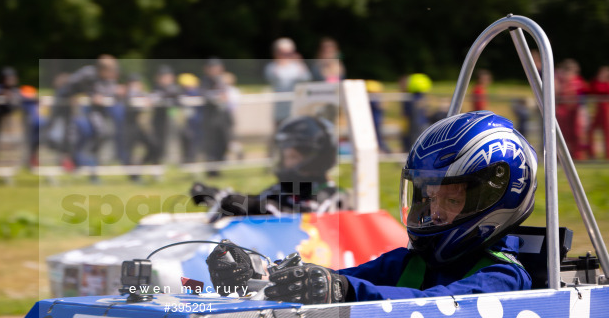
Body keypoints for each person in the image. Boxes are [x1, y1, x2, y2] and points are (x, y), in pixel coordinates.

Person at [208, 111, 536, 303]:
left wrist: (346, 291)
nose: (434, 212)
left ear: (494, 200)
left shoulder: (502, 277)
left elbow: (435, 307)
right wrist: (264, 275)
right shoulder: (411, 262)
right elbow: (338, 278)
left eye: (451, 200)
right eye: (430, 197)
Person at [190, 115, 345, 220]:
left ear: (317, 159)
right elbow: (255, 201)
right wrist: (217, 196)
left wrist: (257, 207)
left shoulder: (332, 197)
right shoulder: (283, 189)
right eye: (285, 157)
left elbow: (304, 220)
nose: (286, 163)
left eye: (293, 157)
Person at [264, 38, 312, 130]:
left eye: (289, 53)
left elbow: (306, 78)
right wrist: (279, 63)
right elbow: (273, 77)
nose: (286, 56)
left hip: (297, 109)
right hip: (280, 111)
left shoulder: (298, 66)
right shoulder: (271, 67)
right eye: (283, 53)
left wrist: (299, 63)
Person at [200, 57, 230, 175]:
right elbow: (204, 93)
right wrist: (217, 98)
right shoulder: (205, 81)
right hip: (210, 119)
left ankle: (218, 167)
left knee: (224, 143)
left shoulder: (221, 81)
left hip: (222, 118)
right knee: (211, 146)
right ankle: (212, 172)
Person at [148, 65, 181, 165]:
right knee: (157, 143)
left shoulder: (175, 89)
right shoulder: (156, 88)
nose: (165, 79)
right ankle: (156, 163)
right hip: (158, 120)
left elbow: (177, 99)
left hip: (172, 119)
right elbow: (154, 98)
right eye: (163, 77)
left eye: (167, 76)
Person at [555, 58, 587, 160]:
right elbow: (557, 94)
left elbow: (582, 96)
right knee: (562, 134)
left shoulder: (578, 81)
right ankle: (560, 156)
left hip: (575, 111)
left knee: (576, 134)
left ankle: (576, 155)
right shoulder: (560, 81)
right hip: (563, 111)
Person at [587, 65, 609, 160]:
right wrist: (599, 80)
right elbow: (590, 90)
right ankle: (592, 153)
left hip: (606, 109)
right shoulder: (596, 82)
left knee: (608, 133)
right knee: (590, 131)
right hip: (597, 109)